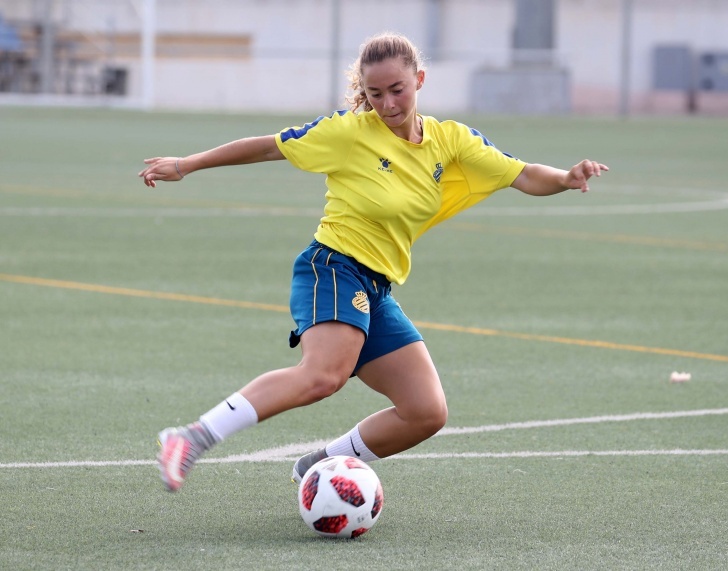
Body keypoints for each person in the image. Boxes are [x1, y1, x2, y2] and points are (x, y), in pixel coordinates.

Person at [139, 32, 608, 492]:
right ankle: (191, 437)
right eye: (375, 93)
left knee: (425, 412)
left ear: (419, 79)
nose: (387, 104)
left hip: (376, 287)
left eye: (397, 90)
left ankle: (320, 464)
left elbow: (523, 174)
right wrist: (188, 164)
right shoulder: (348, 132)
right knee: (324, 376)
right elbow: (268, 146)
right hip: (333, 266)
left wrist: (567, 178)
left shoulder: (451, 140)